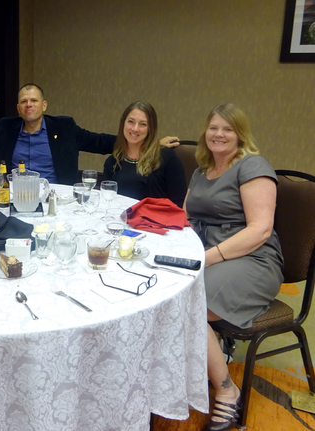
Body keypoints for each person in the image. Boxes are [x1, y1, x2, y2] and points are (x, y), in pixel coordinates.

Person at [184, 103, 283, 431]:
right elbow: (186, 218)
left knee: (188, 306)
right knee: (159, 288)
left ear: (241, 134)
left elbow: (260, 230)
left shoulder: (252, 166)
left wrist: (206, 258)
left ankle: (227, 390)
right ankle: (199, 362)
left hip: (253, 259)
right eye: (214, 127)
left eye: (227, 128)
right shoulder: (202, 169)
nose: (219, 134)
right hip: (208, 254)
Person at [0, 83, 116, 185]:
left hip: (54, 196)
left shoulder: (64, 127)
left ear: (44, 105)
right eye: (24, 101)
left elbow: (98, 142)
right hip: (13, 197)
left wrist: (135, 142)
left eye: (34, 101)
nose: (28, 105)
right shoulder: (6, 128)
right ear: (18, 108)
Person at [102, 101, 187, 207]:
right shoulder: (112, 162)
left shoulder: (167, 158)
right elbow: (107, 202)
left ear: (150, 128)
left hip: (156, 221)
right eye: (131, 122)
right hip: (119, 220)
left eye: (143, 124)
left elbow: (179, 203)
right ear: (123, 123)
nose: (135, 128)